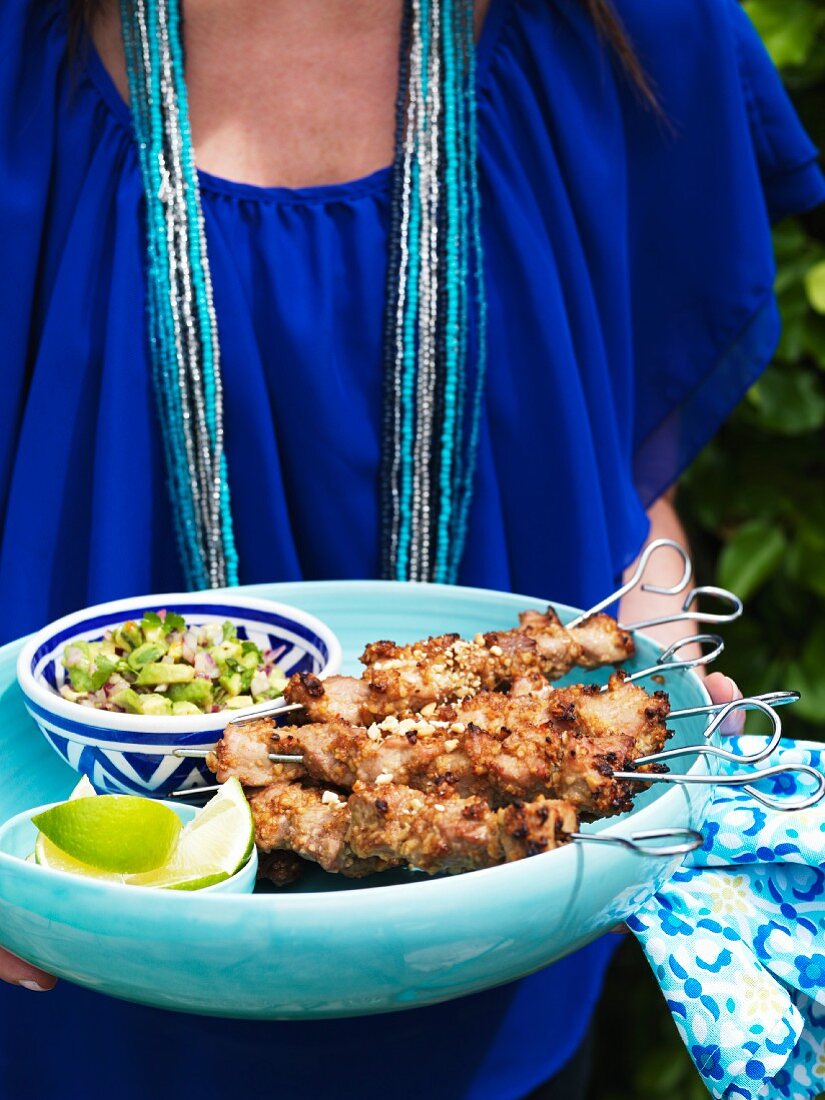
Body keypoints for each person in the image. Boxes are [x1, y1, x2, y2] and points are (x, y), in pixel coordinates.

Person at [0, 0, 822, 1097]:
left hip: (507, 986)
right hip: (82, 980)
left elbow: (625, 484)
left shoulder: (634, 29)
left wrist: (655, 698)